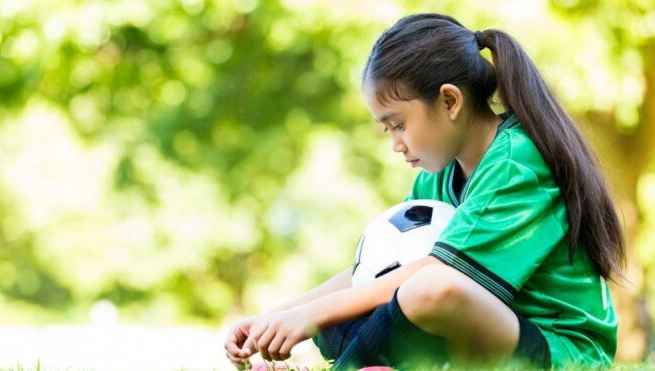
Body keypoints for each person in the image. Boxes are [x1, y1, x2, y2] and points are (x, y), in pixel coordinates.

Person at [224, 13, 626, 370]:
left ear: (450, 101)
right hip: (486, 335)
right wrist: (277, 316)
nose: (395, 143)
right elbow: (381, 270)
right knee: (361, 306)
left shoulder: (517, 162)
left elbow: (437, 275)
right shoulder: (437, 172)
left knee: (432, 289)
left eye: (398, 124)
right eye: (387, 130)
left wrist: (312, 316)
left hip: (560, 352)